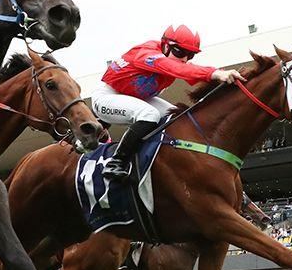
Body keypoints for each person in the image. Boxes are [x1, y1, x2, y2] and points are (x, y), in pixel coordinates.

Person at [88, 25, 246, 182]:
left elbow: (186, 70)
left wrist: (220, 75)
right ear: (165, 45)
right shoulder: (147, 53)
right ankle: (117, 162)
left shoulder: (172, 59)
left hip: (136, 98)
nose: (184, 59)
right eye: (180, 52)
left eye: (190, 55)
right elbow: (175, 67)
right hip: (108, 95)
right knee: (150, 115)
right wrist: (215, 73)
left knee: (174, 115)